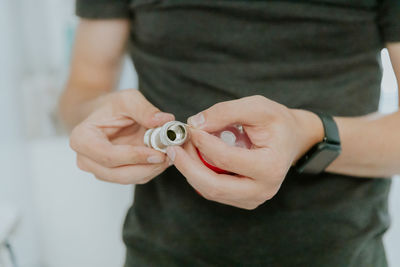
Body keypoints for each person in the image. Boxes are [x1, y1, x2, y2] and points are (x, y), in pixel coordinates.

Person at [59, 0, 400, 266]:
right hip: (161, 252)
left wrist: (307, 135)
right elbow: (82, 90)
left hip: (342, 255)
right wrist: (96, 116)